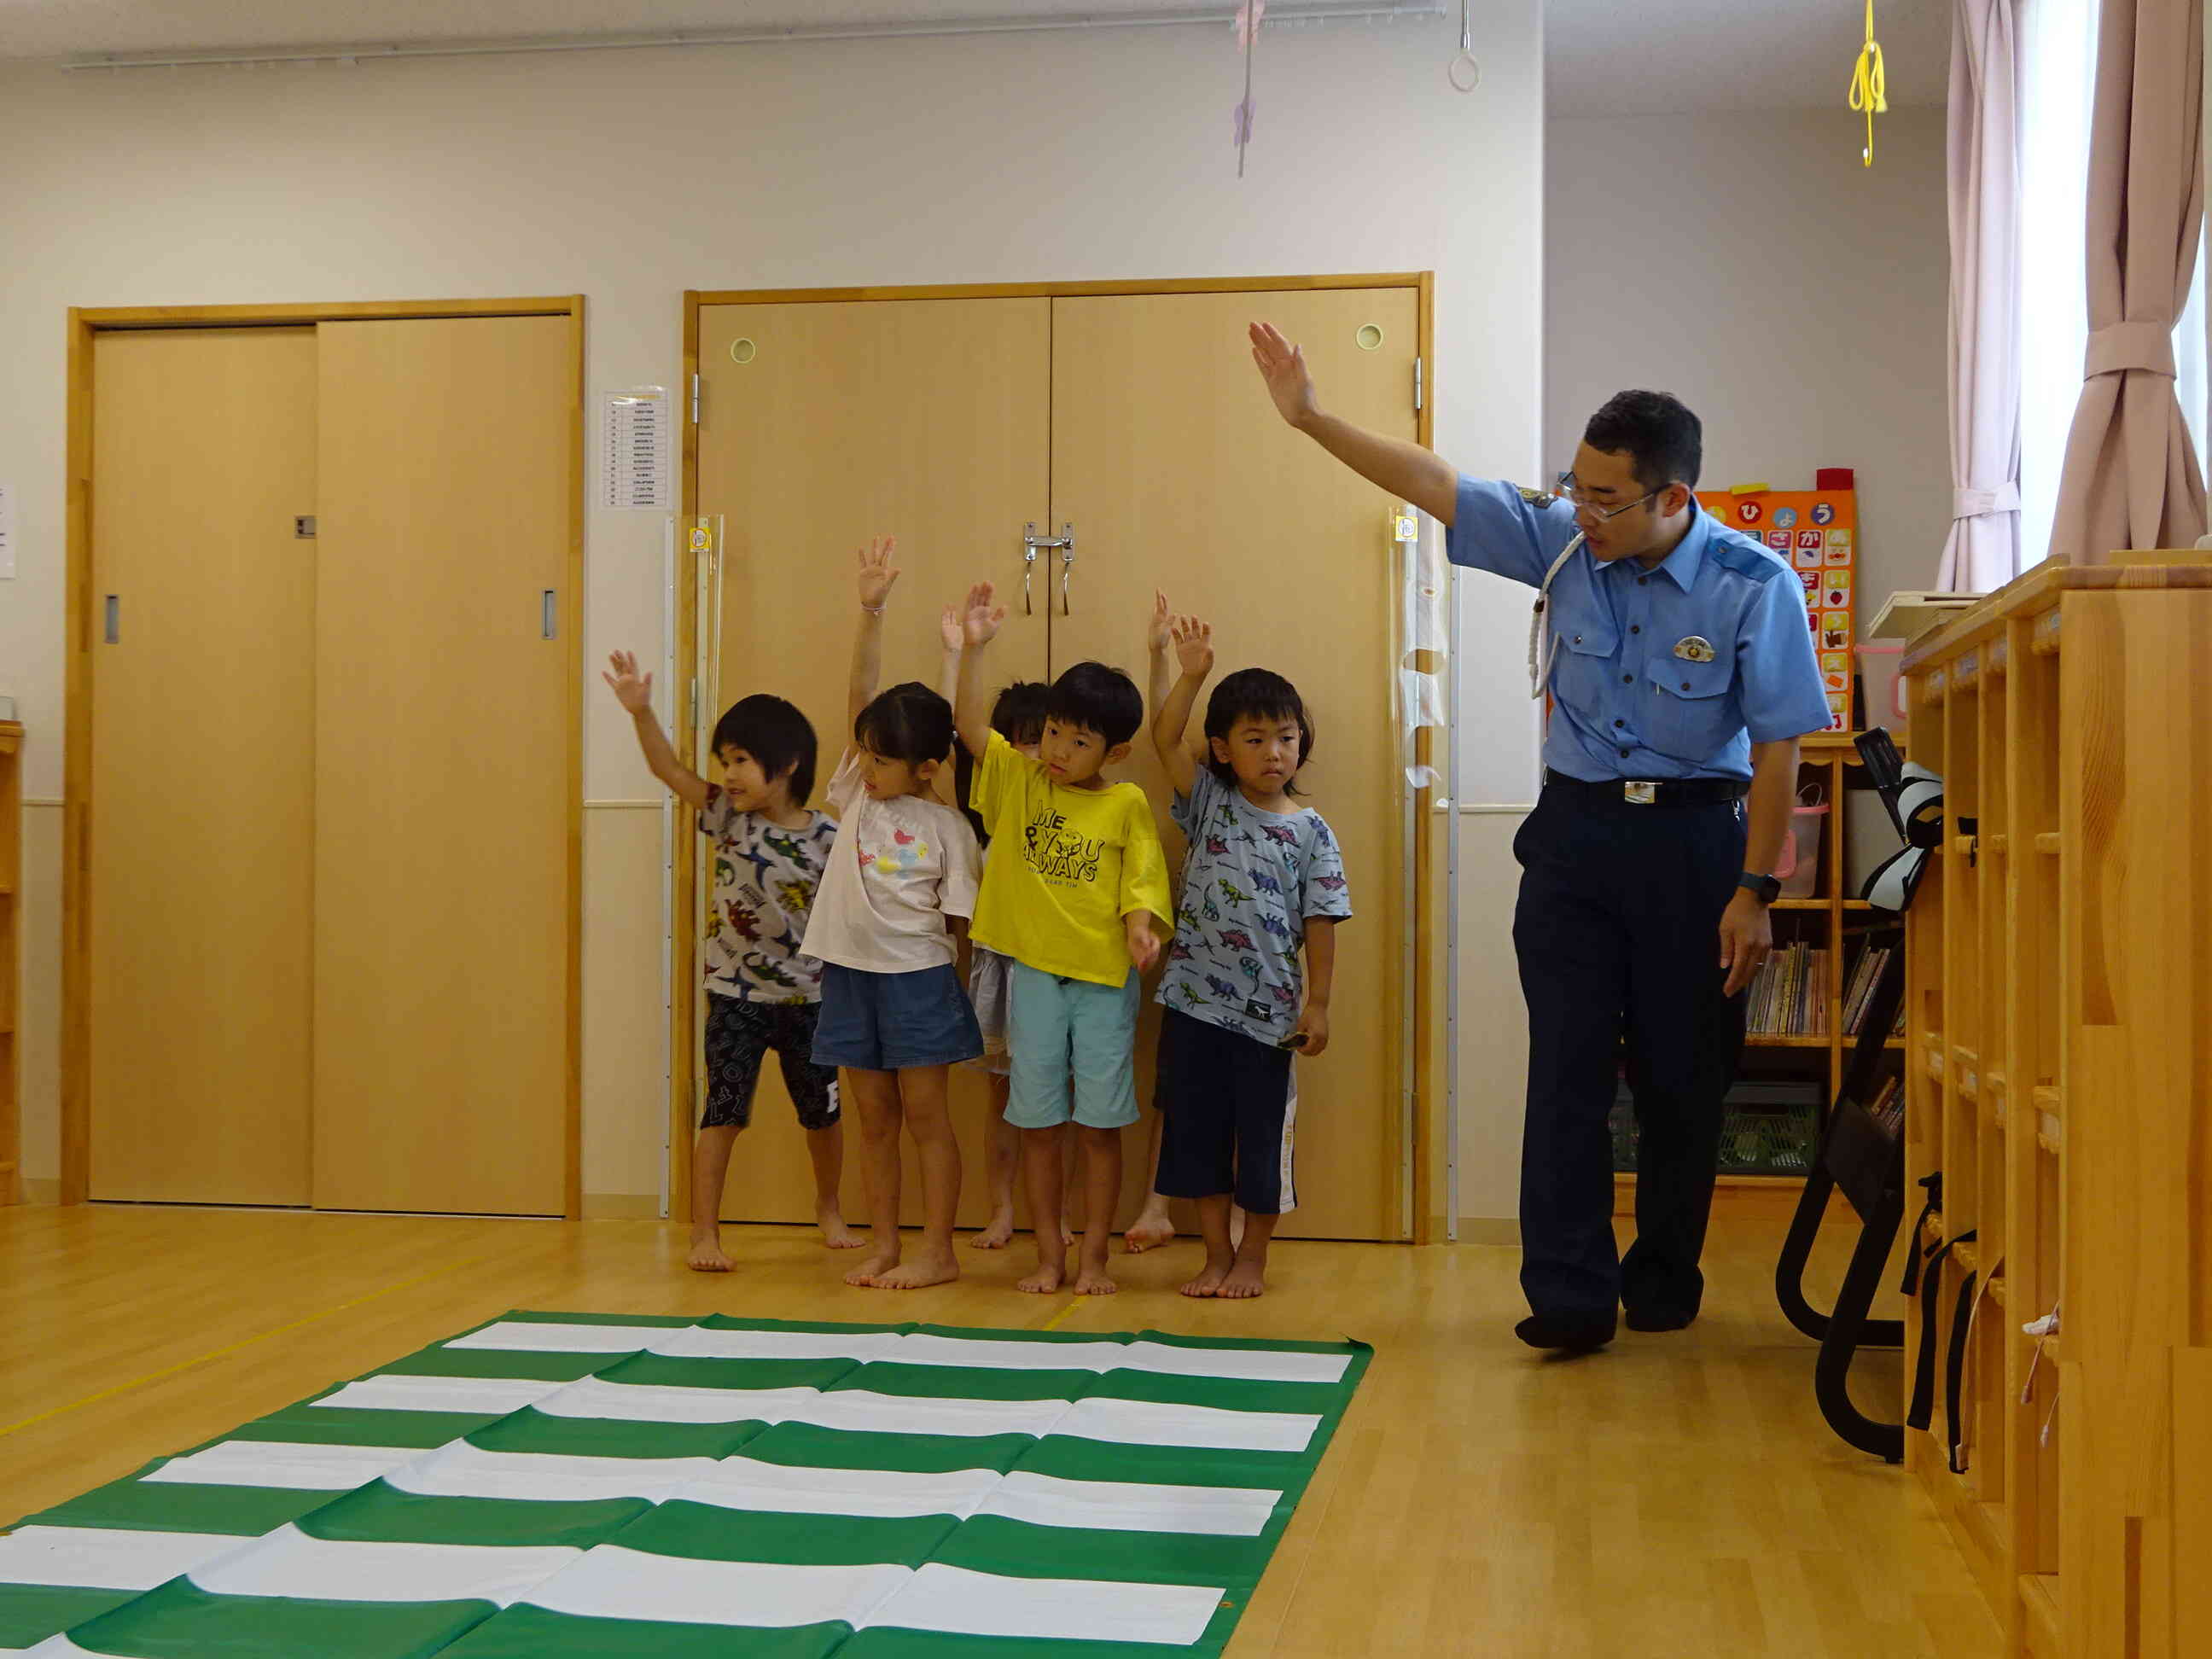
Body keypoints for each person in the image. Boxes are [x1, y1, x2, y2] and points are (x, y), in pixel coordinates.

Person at [1248, 321, 1829, 1353]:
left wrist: (1755, 891)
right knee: (1564, 1068)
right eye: (1577, 486)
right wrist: (1307, 418)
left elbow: (1781, 749)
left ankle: (1661, 1281)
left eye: (1607, 497)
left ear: (1673, 499)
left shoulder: (1754, 585)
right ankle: (1566, 1295)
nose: (1585, 511)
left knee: (1680, 1078)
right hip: (1575, 840)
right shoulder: (1564, 539)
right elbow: (1439, 483)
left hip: (1697, 846)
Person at [602, 654, 857, 1271]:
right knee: (722, 1111)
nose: (730, 774)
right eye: (725, 761)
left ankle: (829, 1207)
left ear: (788, 765)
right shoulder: (725, 816)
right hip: (735, 996)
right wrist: (642, 713)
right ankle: (704, 1234)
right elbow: (669, 769)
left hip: (811, 1000)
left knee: (822, 1116)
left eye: (742, 760)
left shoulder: (828, 835)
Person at [954, 581, 1172, 1297]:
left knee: (1099, 1126)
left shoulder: (1127, 802)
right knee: (1039, 1121)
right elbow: (968, 729)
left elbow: (1142, 881)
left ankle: (1096, 1259)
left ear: (1116, 750)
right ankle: (1048, 1256)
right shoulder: (1020, 782)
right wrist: (974, 652)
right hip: (1035, 977)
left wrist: (1141, 930)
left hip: (1105, 981)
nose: (1058, 750)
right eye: (1053, 732)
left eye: (1079, 742)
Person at [1141, 605, 1348, 1300]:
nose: (1274, 753)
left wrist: (1317, 1005)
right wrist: (1191, 675)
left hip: (1270, 1020)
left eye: (1285, 738)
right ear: (1224, 750)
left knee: (1261, 1144)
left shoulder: (1312, 832)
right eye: (1255, 739)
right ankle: (1214, 1255)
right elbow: (1164, 737)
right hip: (1194, 1007)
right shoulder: (1208, 802)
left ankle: (1253, 1257)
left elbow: (1323, 921)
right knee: (1197, 1140)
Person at [802, 538, 983, 1290]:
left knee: (926, 1120)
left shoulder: (948, 828)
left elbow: (962, 927)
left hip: (917, 981)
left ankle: (936, 1250)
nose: (865, 767)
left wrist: (957, 994)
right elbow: (859, 699)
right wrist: (870, 611)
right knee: (871, 1118)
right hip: (850, 975)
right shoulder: (854, 793)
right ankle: (883, 1241)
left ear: (927, 768)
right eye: (865, 756)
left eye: (882, 759)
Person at [950, 677, 1076, 1251]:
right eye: (1021, 742)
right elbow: (970, 729)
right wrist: (963, 654)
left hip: (1061, 970)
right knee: (1001, 1098)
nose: (1035, 754)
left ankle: (1058, 1213)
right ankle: (1001, 1208)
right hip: (1004, 966)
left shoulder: (1080, 806)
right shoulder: (999, 803)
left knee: (1062, 1102)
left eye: (1042, 739)